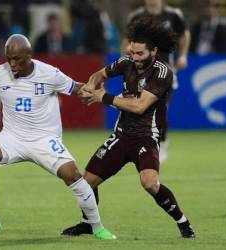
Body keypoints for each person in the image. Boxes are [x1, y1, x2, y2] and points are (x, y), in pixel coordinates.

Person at [61, 18, 195, 238]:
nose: (135, 58)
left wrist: (103, 97)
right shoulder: (126, 62)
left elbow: (140, 105)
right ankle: (87, 223)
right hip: (121, 136)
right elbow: (99, 74)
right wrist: (90, 86)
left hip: (146, 137)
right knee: (87, 183)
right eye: (132, 52)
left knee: (150, 183)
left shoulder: (163, 73)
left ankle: (183, 223)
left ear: (154, 51)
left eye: (140, 54)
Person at [0, 34, 116, 240]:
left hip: (44, 140)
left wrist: (95, 92)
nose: (12, 64)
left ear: (29, 55)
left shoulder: (49, 74)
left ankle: (97, 227)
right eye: (8, 59)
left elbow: (75, 88)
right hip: (12, 138)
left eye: (17, 59)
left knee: (73, 175)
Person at [125, 0, 191, 162]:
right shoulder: (137, 16)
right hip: (142, 72)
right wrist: (128, 51)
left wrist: (183, 55)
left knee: (160, 108)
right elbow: (127, 40)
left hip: (166, 72)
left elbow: (184, 34)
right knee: (141, 110)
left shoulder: (173, 15)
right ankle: (144, 145)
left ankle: (162, 143)